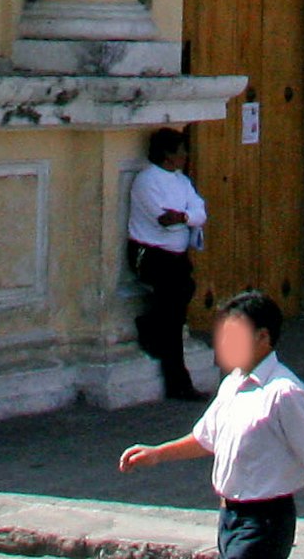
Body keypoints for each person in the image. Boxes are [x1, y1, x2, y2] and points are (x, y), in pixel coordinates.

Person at [119, 289, 304, 559]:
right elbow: (206, 438)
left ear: (263, 337)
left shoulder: (284, 393)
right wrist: (158, 453)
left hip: (265, 523)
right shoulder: (233, 384)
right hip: (229, 519)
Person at [127, 127, 210, 402]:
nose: (185, 156)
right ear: (167, 154)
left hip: (176, 256)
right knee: (173, 318)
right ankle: (178, 381)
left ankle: (150, 326)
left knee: (181, 296)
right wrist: (185, 217)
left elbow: (199, 212)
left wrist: (184, 217)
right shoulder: (147, 181)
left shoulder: (181, 181)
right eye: (181, 150)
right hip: (153, 255)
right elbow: (163, 219)